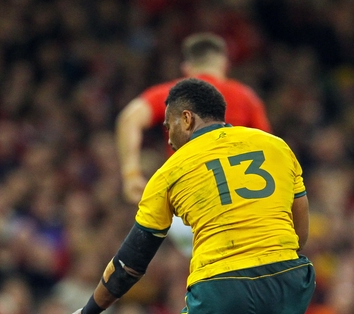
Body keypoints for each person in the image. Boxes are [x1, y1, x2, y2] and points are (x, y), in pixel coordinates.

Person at [63, 78, 313, 314]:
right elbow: (301, 232)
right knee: (277, 293)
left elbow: (132, 262)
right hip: (290, 282)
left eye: (168, 126)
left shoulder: (169, 172)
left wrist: (90, 311)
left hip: (224, 288)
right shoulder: (276, 146)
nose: (168, 138)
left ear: (186, 119)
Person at [116, 32, 271, 205]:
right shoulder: (246, 97)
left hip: (188, 199)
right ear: (224, 65)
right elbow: (267, 148)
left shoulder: (173, 93)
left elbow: (129, 119)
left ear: (187, 67)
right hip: (238, 200)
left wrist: (131, 175)